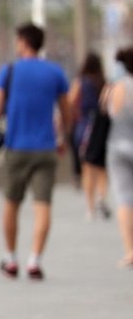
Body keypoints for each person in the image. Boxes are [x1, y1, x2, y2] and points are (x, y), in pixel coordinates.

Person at [0, 22, 72, 280]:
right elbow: (68, 113)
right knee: (43, 204)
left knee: (12, 203)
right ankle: (35, 260)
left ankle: (11, 259)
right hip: (46, 147)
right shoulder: (55, 73)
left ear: (23, 42)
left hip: (17, 147)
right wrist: (61, 135)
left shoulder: (9, 71)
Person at [69, 52, 110, 220]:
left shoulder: (80, 82)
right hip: (102, 127)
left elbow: (70, 102)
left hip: (85, 126)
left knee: (87, 166)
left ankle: (90, 207)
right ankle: (102, 196)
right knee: (101, 166)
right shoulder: (104, 83)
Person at [103, 47, 133, 266]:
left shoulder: (116, 87)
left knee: (124, 198)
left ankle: (130, 249)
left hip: (118, 146)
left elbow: (106, 110)